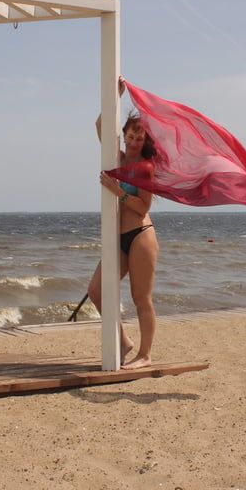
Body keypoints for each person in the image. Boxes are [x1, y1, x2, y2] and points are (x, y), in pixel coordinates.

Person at [87, 76, 159, 370]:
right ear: (125, 135)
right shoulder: (117, 160)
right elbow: (99, 127)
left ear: (145, 142)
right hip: (119, 239)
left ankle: (145, 354)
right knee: (97, 291)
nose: (133, 141)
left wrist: (118, 193)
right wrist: (114, 97)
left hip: (141, 235)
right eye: (130, 136)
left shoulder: (145, 169)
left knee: (140, 297)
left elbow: (143, 206)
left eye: (139, 138)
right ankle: (124, 340)